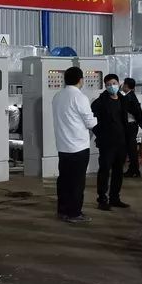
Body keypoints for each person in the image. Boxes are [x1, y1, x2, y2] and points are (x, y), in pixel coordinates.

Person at [51, 66, 97, 223]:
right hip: (78, 147)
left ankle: (62, 210)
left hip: (63, 146)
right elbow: (90, 122)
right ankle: (74, 213)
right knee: (77, 182)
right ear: (80, 80)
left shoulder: (57, 96)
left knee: (64, 180)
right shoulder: (80, 97)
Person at [90, 73, 129, 210]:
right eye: (108, 84)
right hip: (107, 143)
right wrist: (101, 135)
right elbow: (93, 122)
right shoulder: (99, 103)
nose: (111, 86)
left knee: (118, 170)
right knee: (105, 170)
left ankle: (115, 198)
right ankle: (102, 199)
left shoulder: (123, 100)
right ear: (105, 86)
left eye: (114, 83)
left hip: (121, 141)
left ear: (119, 84)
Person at [120, 78, 142, 178]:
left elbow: (137, 113)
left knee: (131, 149)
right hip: (131, 125)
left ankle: (134, 170)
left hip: (130, 126)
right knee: (131, 149)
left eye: (123, 85)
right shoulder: (130, 96)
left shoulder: (129, 97)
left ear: (126, 86)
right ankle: (134, 170)